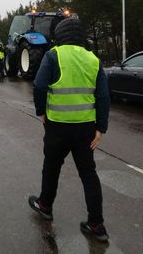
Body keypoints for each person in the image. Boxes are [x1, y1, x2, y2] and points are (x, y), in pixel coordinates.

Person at [28, 18, 110, 242]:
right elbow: (103, 96)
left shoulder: (53, 55)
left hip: (57, 127)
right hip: (85, 129)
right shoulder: (93, 59)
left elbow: (39, 85)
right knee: (89, 174)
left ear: (60, 35)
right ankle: (97, 225)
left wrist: (41, 111)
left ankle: (45, 205)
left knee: (52, 167)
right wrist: (100, 128)